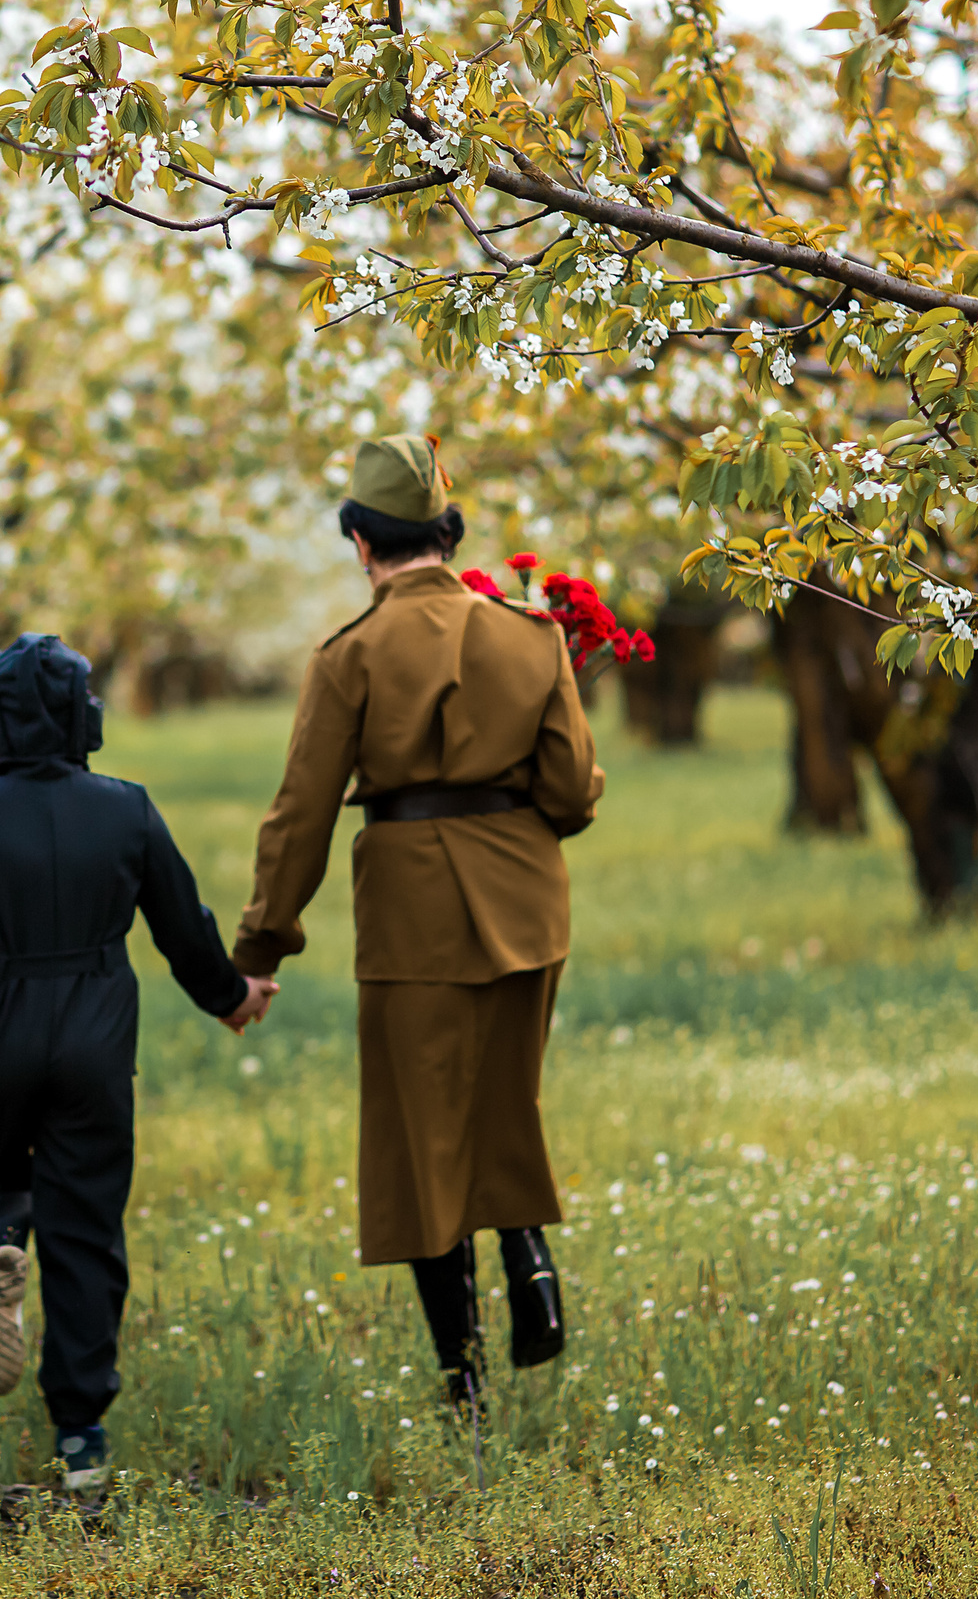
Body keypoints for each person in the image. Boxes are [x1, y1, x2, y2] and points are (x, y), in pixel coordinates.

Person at [231, 433, 601, 1407]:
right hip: (527, 902)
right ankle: (530, 1266)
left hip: (412, 913)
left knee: (418, 1134)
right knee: (502, 1097)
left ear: (361, 543)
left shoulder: (348, 656)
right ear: (449, 529)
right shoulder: (532, 636)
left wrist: (259, 947)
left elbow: (300, 816)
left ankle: (464, 1383)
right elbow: (572, 794)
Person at [0, 633, 275, 1493]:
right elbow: (182, 927)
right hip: (98, 1041)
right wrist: (231, 996)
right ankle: (81, 1444)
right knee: (86, 1232)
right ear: (83, 716)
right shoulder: (127, 808)